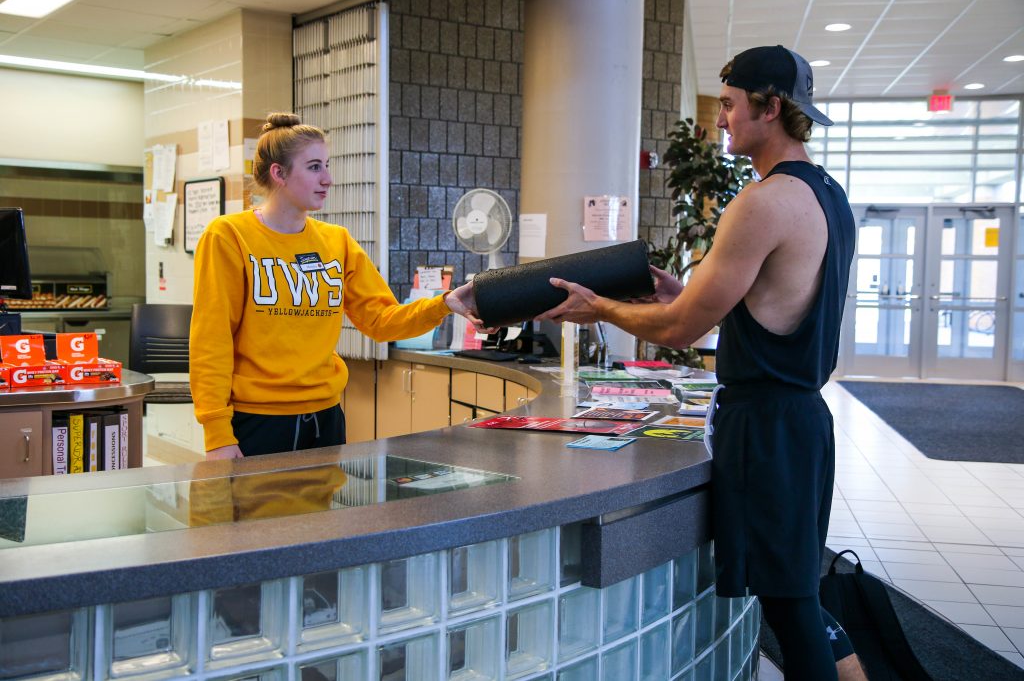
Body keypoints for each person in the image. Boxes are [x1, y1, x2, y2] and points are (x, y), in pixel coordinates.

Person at [536, 46, 864, 680]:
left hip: (767, 428)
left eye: (732, 106)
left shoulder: (763, 202)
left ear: (770, 109)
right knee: (794, 591)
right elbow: (766, 305)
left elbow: (685, 328)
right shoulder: (828, 196)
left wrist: (598, 307)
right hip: (800, 421)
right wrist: (677, 295)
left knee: (792, 605)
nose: (721, 121)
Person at [190, 112, 484, 461]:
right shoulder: (228, 236)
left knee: (320, 517)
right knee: (261, 517)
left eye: (327, 165)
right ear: (279, 173)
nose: (328, 179)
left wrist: (444, 303)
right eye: (314, 167)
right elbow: (212, 340)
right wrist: (217, 433)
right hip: (258, 420)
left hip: (326, 419)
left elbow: (381, 320)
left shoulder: (337, 242)